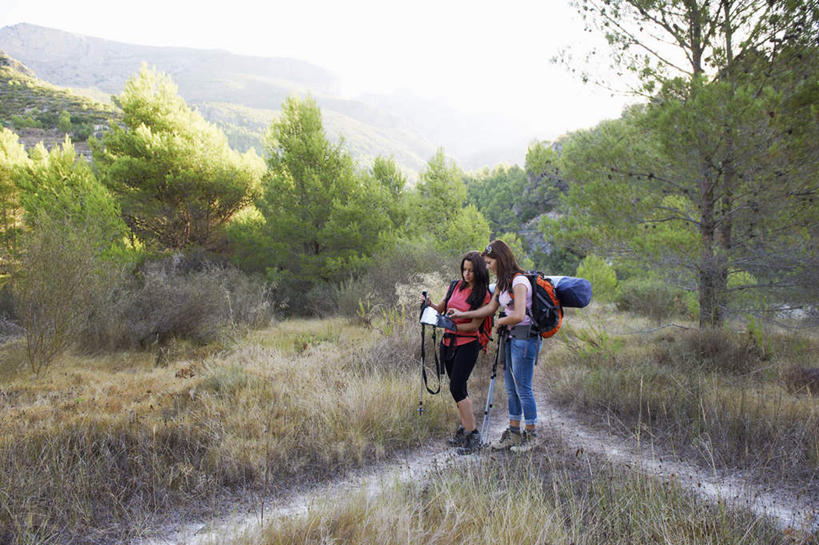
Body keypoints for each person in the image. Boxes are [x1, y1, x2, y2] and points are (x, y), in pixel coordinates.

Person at [448, 239, 541, 451]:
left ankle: (532, 435)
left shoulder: (519, 282)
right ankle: (514, 433)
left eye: (490, 262)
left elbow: (518, 315)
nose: (488, 267)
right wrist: (464, 314)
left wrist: (501, 321)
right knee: (510, 387)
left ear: (500, 259)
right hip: (511, 339)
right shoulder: (502, 283)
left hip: (525, 339)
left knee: (523, 388)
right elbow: (489, 309)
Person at [424, 251, 491, 454]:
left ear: (479, 271)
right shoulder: (454, 286)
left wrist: (450, 325)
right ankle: (465, 428)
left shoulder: (483, 295)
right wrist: (430, 305)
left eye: (471, 270)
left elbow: (473, 326)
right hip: (448, 344)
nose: (466, 274)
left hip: (467, 345)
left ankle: (474, 436)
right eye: (464, 269)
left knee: (457, 387)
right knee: (458, 389)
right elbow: (440, 308)